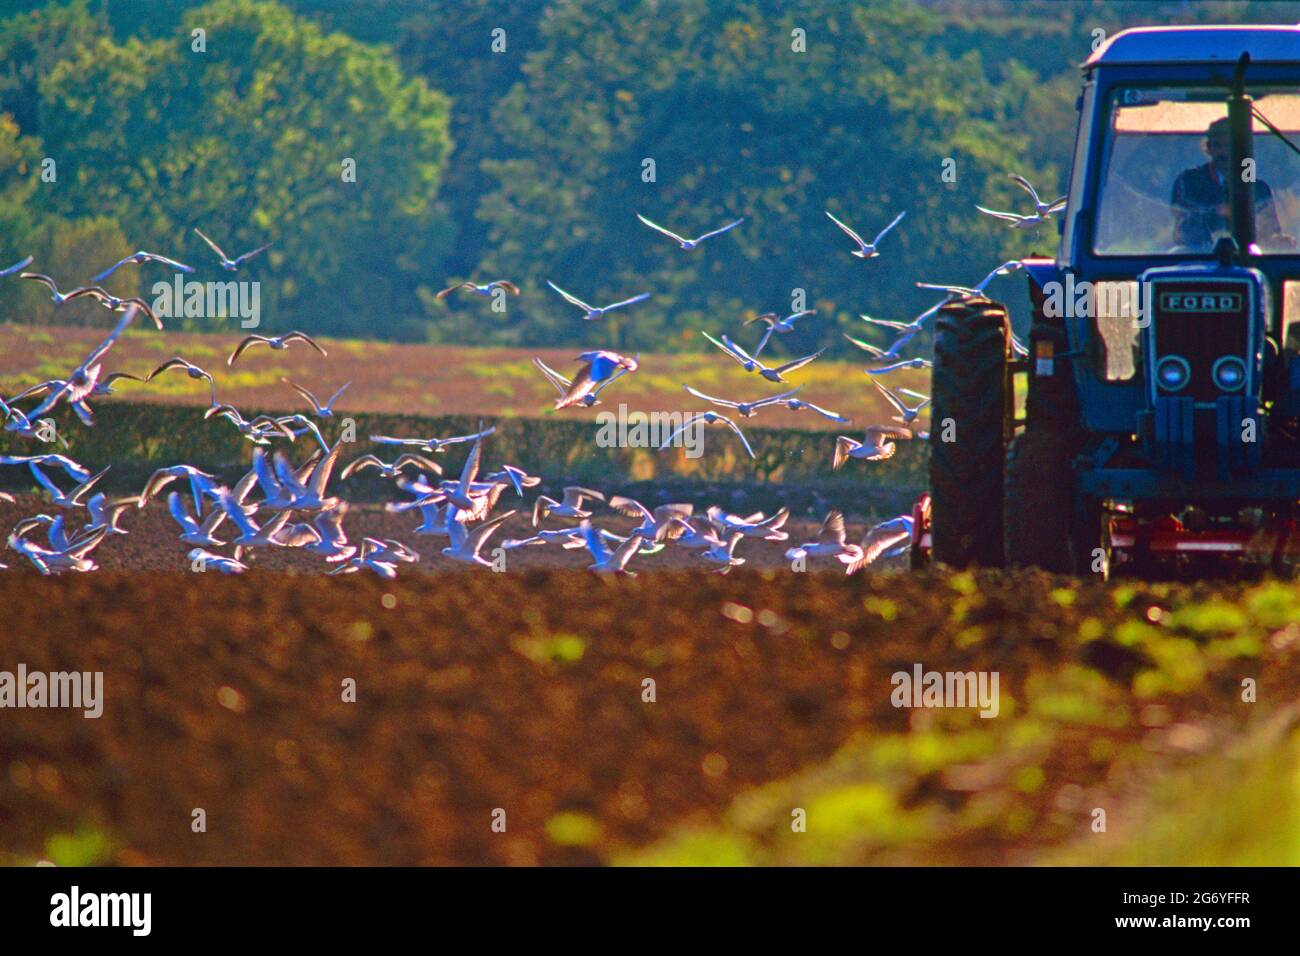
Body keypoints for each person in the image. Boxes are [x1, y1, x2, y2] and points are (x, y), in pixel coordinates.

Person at [1171, 116, 1283, 249]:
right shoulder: (1189, 181)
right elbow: (1184, 224)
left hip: (1246, 257)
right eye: (1218, 145)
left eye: (1230, 146)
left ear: (1242, 149)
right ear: (1208, 148)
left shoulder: (1258, 187)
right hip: (1199, 257)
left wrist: (1277, 241)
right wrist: (1218, 212)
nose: (1224, 153)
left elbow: (1270, 229)